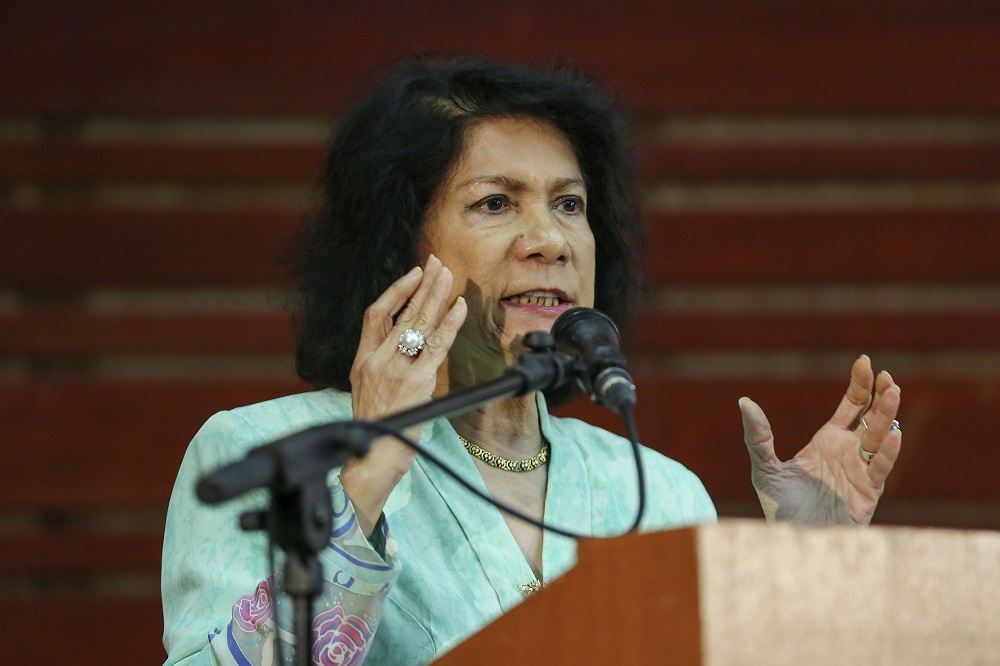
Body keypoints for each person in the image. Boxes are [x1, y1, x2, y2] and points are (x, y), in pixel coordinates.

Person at [161, 58, 903, 665]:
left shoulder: (659, 492)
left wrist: (809, 568)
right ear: (399, 246)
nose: (549, 238)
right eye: (496, 204)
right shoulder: (259, 453)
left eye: (570, 205)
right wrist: (369, 474)